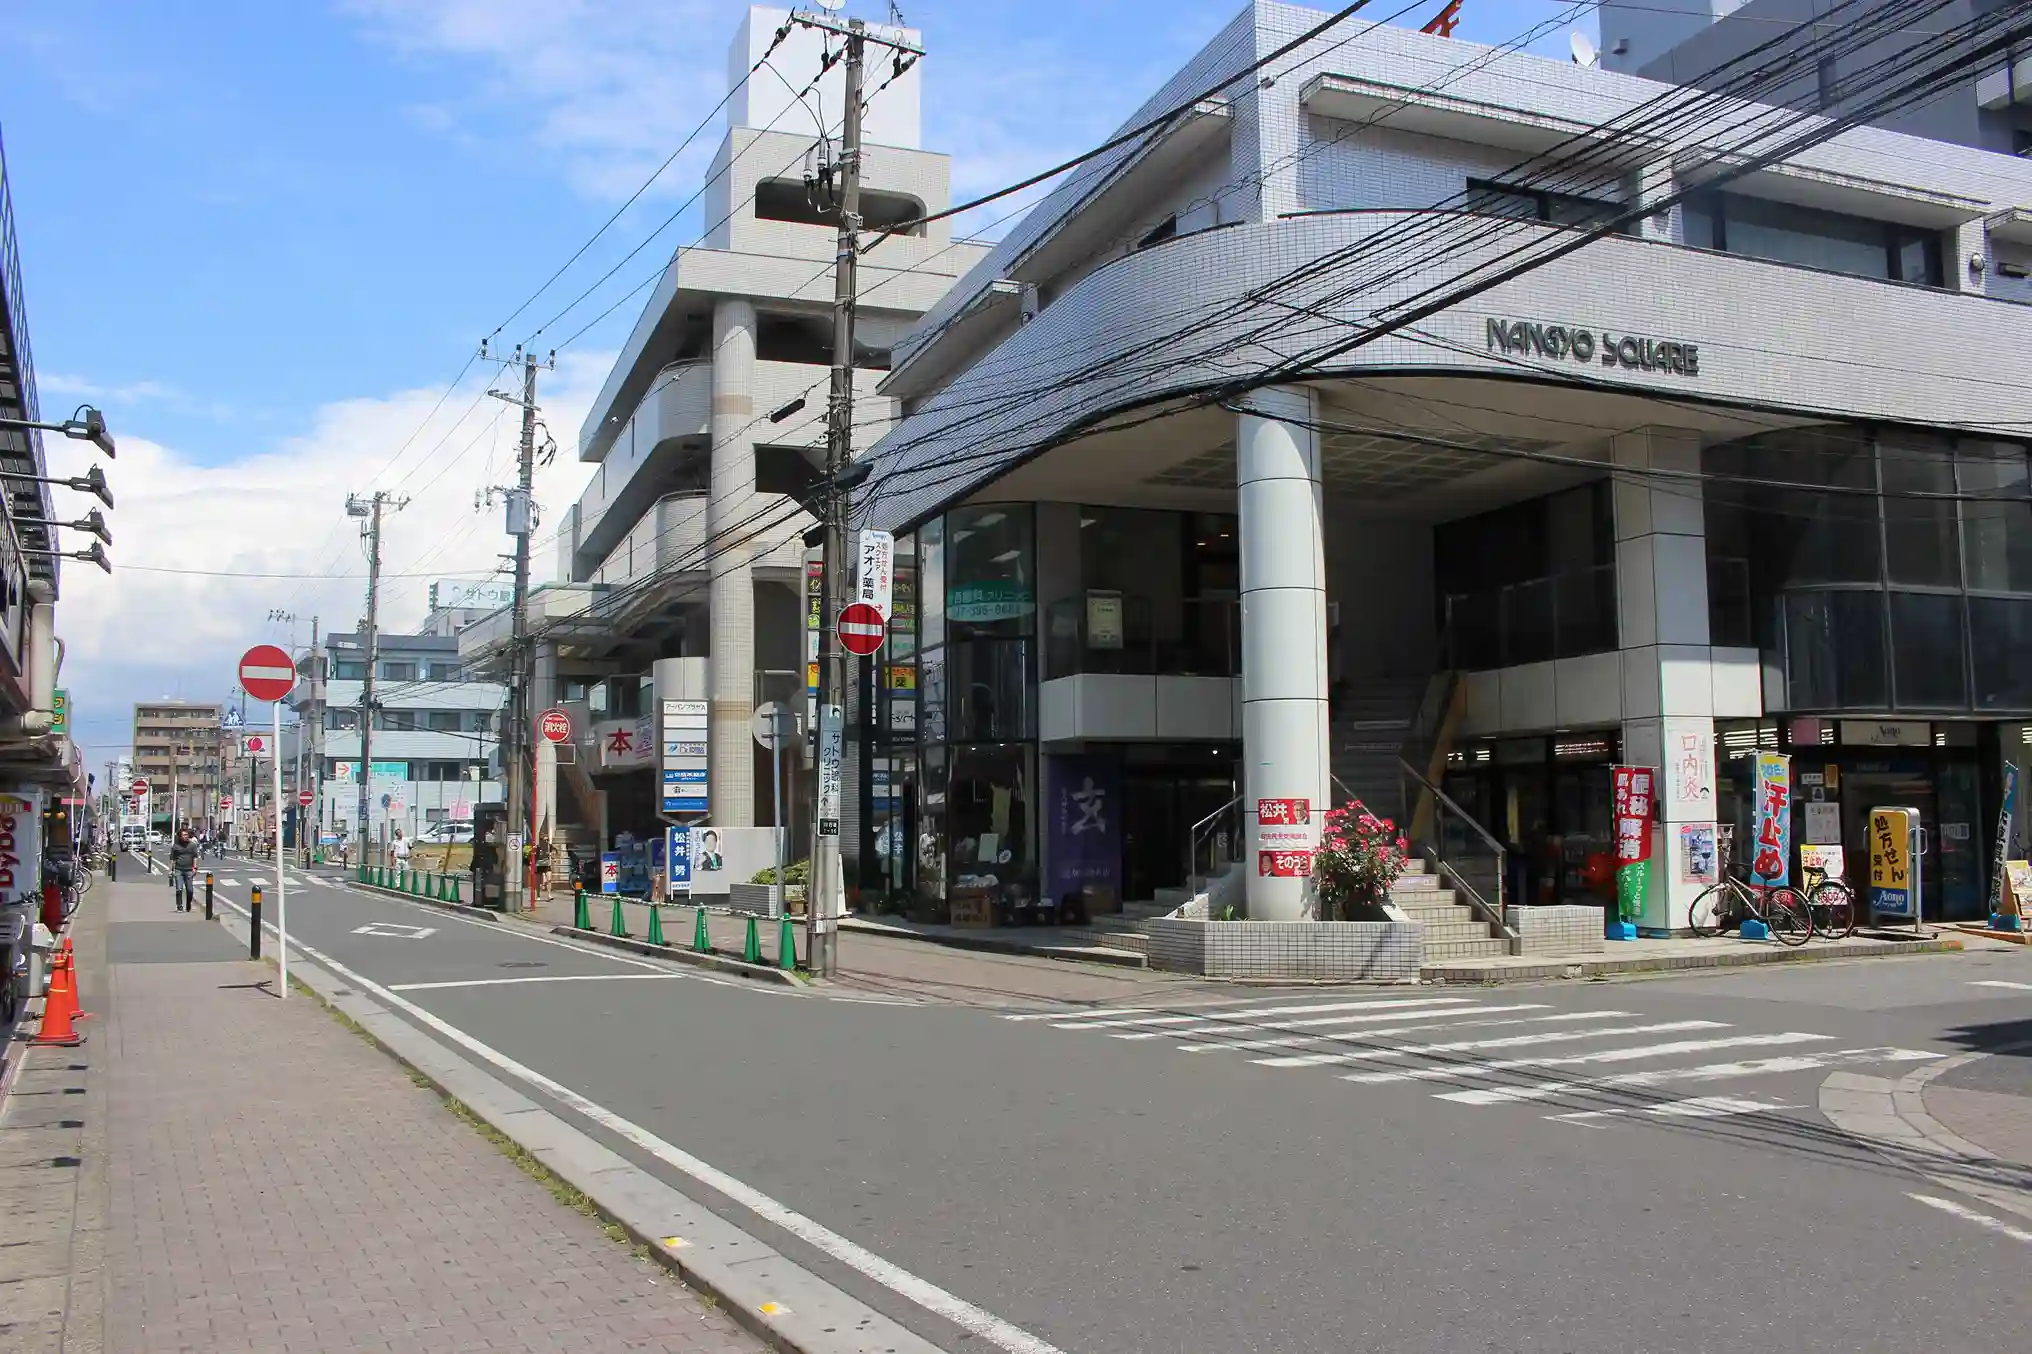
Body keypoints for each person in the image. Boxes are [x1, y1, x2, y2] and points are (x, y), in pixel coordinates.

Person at [169, 829, 199, 913]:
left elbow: (195, 857)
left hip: (189, 870)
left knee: (190, 890)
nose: (186, 836)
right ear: (180, 836)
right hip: (179, 869)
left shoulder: (192, 845)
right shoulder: (175, 846)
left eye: (187, 835)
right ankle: (179, 906)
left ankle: (188, 904)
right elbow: (172, 859)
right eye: (184, 835)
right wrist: (170, 870)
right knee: (179, 889)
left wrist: (195, 868)